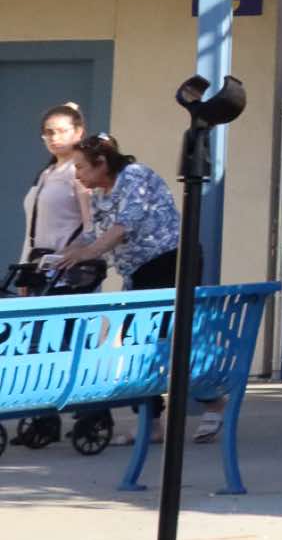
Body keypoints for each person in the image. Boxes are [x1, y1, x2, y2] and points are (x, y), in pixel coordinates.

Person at [49, 134, 225, 444]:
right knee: (135, 343)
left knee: (172, 340)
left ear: (102, 163)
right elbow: (94, 234)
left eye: (81, 167)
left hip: (171, 261)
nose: (77, 175)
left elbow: (123, 227)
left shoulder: (135, 176)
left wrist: (88, 253)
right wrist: (61, 256)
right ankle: (151, 421)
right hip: (138, 272)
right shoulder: (100, 195)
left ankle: (212, 400)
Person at [17, 102, 98, 293]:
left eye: (62, 131)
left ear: (78, 132)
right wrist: (24, 267)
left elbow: (91, 226)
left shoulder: (78, 172)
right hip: (39, 268)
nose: (54, 138)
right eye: (49, 132)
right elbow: (33, 229)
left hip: (67, 271)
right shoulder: (47, 173)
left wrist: (73, 254)